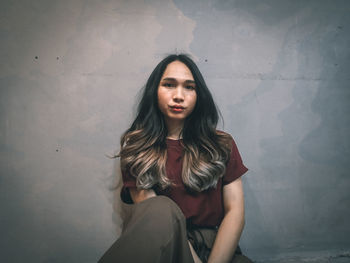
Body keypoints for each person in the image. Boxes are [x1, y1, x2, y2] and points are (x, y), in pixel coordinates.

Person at [99, 54, 253, 263]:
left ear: (199, 95)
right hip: (164, 247)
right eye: (169, 85)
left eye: (189, 87)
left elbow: (235, 213)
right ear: (155, 91)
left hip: (219, 248)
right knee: (161, 208)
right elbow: (152, 212)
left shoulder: (222, 144)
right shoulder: (137, 147)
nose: (179, 95)